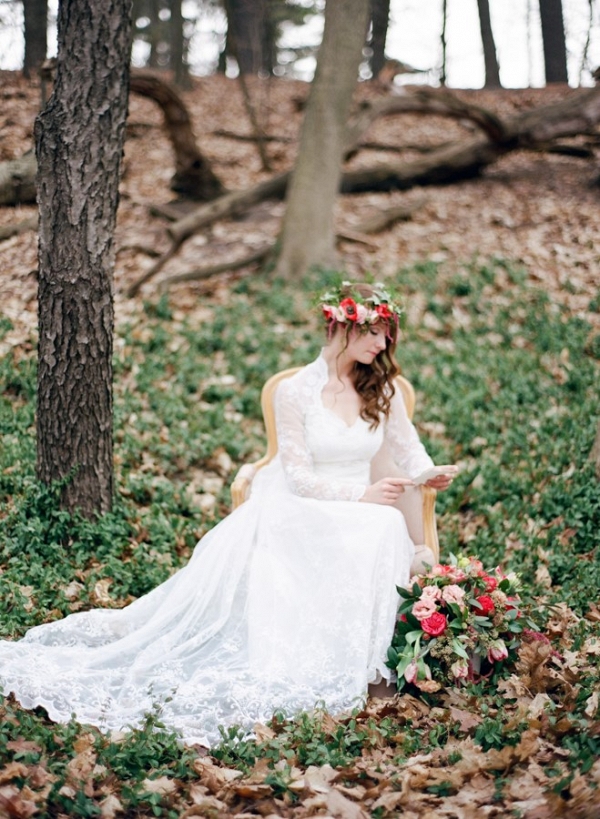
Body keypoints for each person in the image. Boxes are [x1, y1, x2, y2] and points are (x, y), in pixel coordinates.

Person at [0, 282, 455, 747]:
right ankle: (349, 666)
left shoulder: (382, 386)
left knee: (383, 524)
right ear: (341, 326)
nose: (382, 346)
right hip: (308, 506)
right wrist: (361, 494)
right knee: (380, 522)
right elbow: (298, 478)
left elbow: (406, 445)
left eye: (386, 337)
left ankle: (368, 664)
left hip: (365, 503)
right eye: (375, 333)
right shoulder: (294, 392)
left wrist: (427, 472)